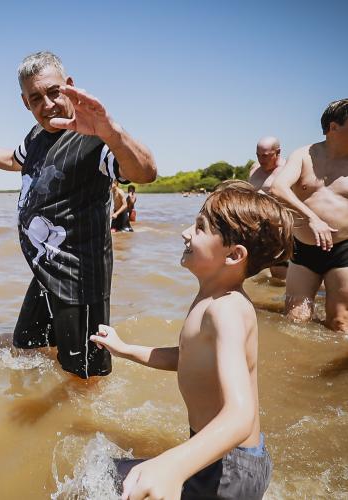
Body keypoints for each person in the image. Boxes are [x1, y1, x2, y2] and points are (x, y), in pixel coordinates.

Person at [0, 51, 156, 378]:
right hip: (44, 271)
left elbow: (146, 172)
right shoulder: (36, 136)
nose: (47, 104)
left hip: (79, 280)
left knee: (85, 376)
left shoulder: (93, 138)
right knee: (26, 345)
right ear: (25, 103)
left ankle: (86, 425)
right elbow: (12, 159)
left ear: (70, 86)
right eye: (36, 98)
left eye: (53, 92)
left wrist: (113, 133)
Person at [92, 181, 292, 499]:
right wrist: (125, 349)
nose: (185, 232)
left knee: (112, 483)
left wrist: (172, 465)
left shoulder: (226, 310)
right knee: (99, 475)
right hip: (220, 453)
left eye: (199, 228)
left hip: (231, 468)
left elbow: (241, 416)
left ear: (233, 255)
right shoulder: (210, 298)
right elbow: (186, 357)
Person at [271, 98, 348, 332]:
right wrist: (312, 218)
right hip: (304, 248)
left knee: (340, 323)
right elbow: (278, 188)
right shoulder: (304, 155)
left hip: (343, 250)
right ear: (333, 127)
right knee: (295, 321)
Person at [248, 136, 288, 280]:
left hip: (279, 230)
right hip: (256, 230)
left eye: (265, 156)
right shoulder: (254, 168)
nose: (261, 160)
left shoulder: (288, 169)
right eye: (258, 155)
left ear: (278, 152)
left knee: (279, 275)